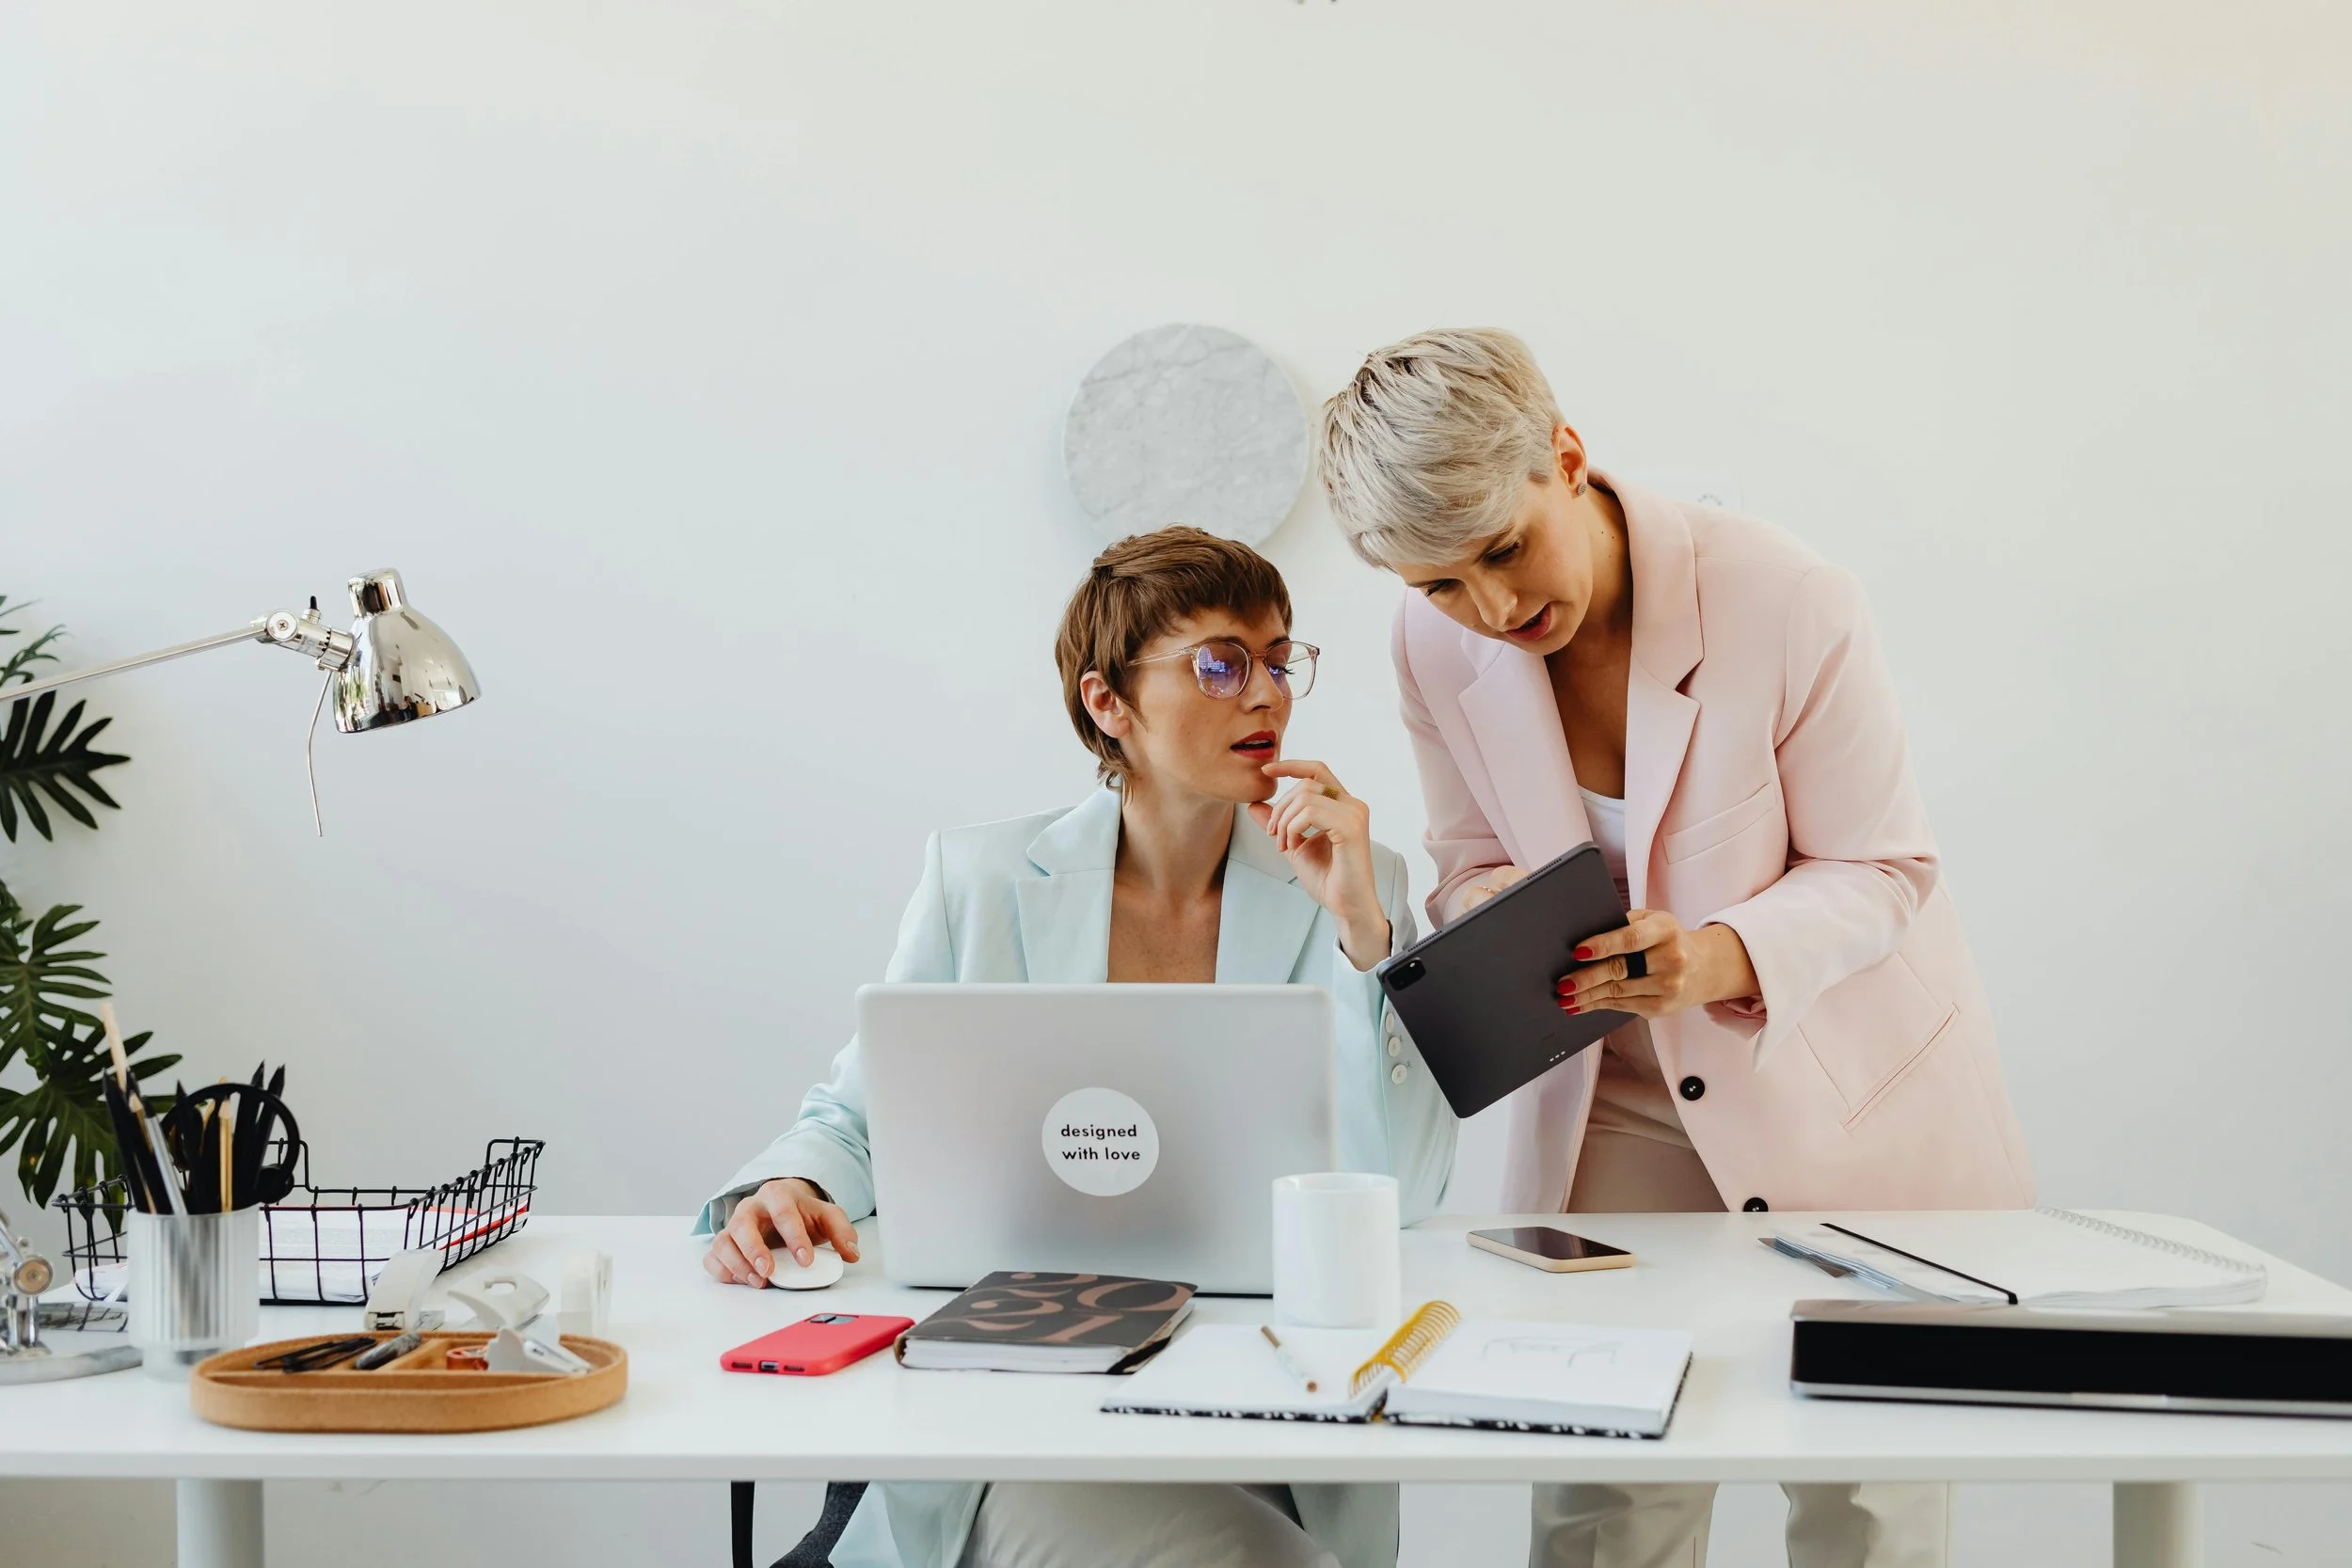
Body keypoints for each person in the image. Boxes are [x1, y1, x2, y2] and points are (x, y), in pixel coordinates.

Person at [1317, 328, 2033, 1568]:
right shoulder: (1428, 643)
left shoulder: (1788, 596)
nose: (1492, 610)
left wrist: (1710, 956)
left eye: (1502, 549)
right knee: (1608, 1486)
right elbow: (1466, 854)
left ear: (1567, 457)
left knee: (1866, 1496)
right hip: (1613, 1097)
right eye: (1440, 583)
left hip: (1836, 1086)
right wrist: (1505, 909)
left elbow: (1885, 867)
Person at [697, 526, 1455, 1568]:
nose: (1267, 695)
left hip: (1265, 1398)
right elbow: (857, 1117)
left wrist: (1365, 938)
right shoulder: (983, 880)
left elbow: (1401, 1190)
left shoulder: (1353, 881)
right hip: (1026, 1409)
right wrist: (784, 1183)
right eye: (1220, 663)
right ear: (1108, 703)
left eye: (1280, 660)